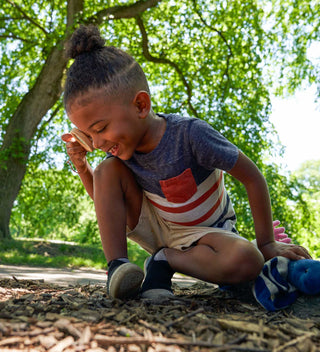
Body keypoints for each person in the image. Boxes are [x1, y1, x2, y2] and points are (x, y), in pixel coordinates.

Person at [62, 25, 311, 300]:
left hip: (208, 235)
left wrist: (266, 244)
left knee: (248, 260)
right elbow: (106, 203)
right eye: (89, 134)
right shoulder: (119, 155)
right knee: (106, 169)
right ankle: (117, 268)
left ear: (141, 106)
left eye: (100, 128)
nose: (96, 143)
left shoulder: (191, 135)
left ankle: (164, 261)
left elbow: (253, 178)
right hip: (156, 225)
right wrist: (83, 166)